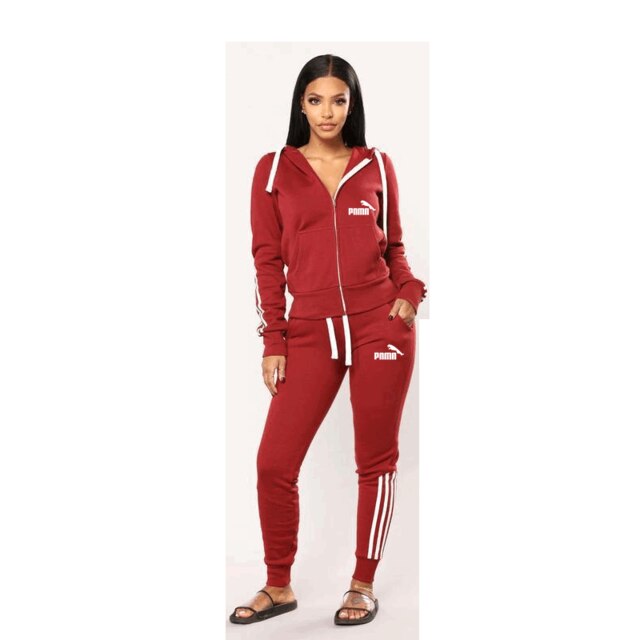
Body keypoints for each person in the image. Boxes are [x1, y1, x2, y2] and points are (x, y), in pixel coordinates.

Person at [230, 53, 427, 627]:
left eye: (339, 100)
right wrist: (274, 339)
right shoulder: (273, 170)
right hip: (310, 330)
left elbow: (394, 249)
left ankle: (362, 584)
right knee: (274, 463)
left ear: (352, 104)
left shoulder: (377, 165)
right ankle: (279, 585)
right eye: (316, 100)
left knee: (376, 460)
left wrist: (409, 293)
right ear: (300, 104)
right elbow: (266, 261)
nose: (327, 112)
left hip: (380, 324)